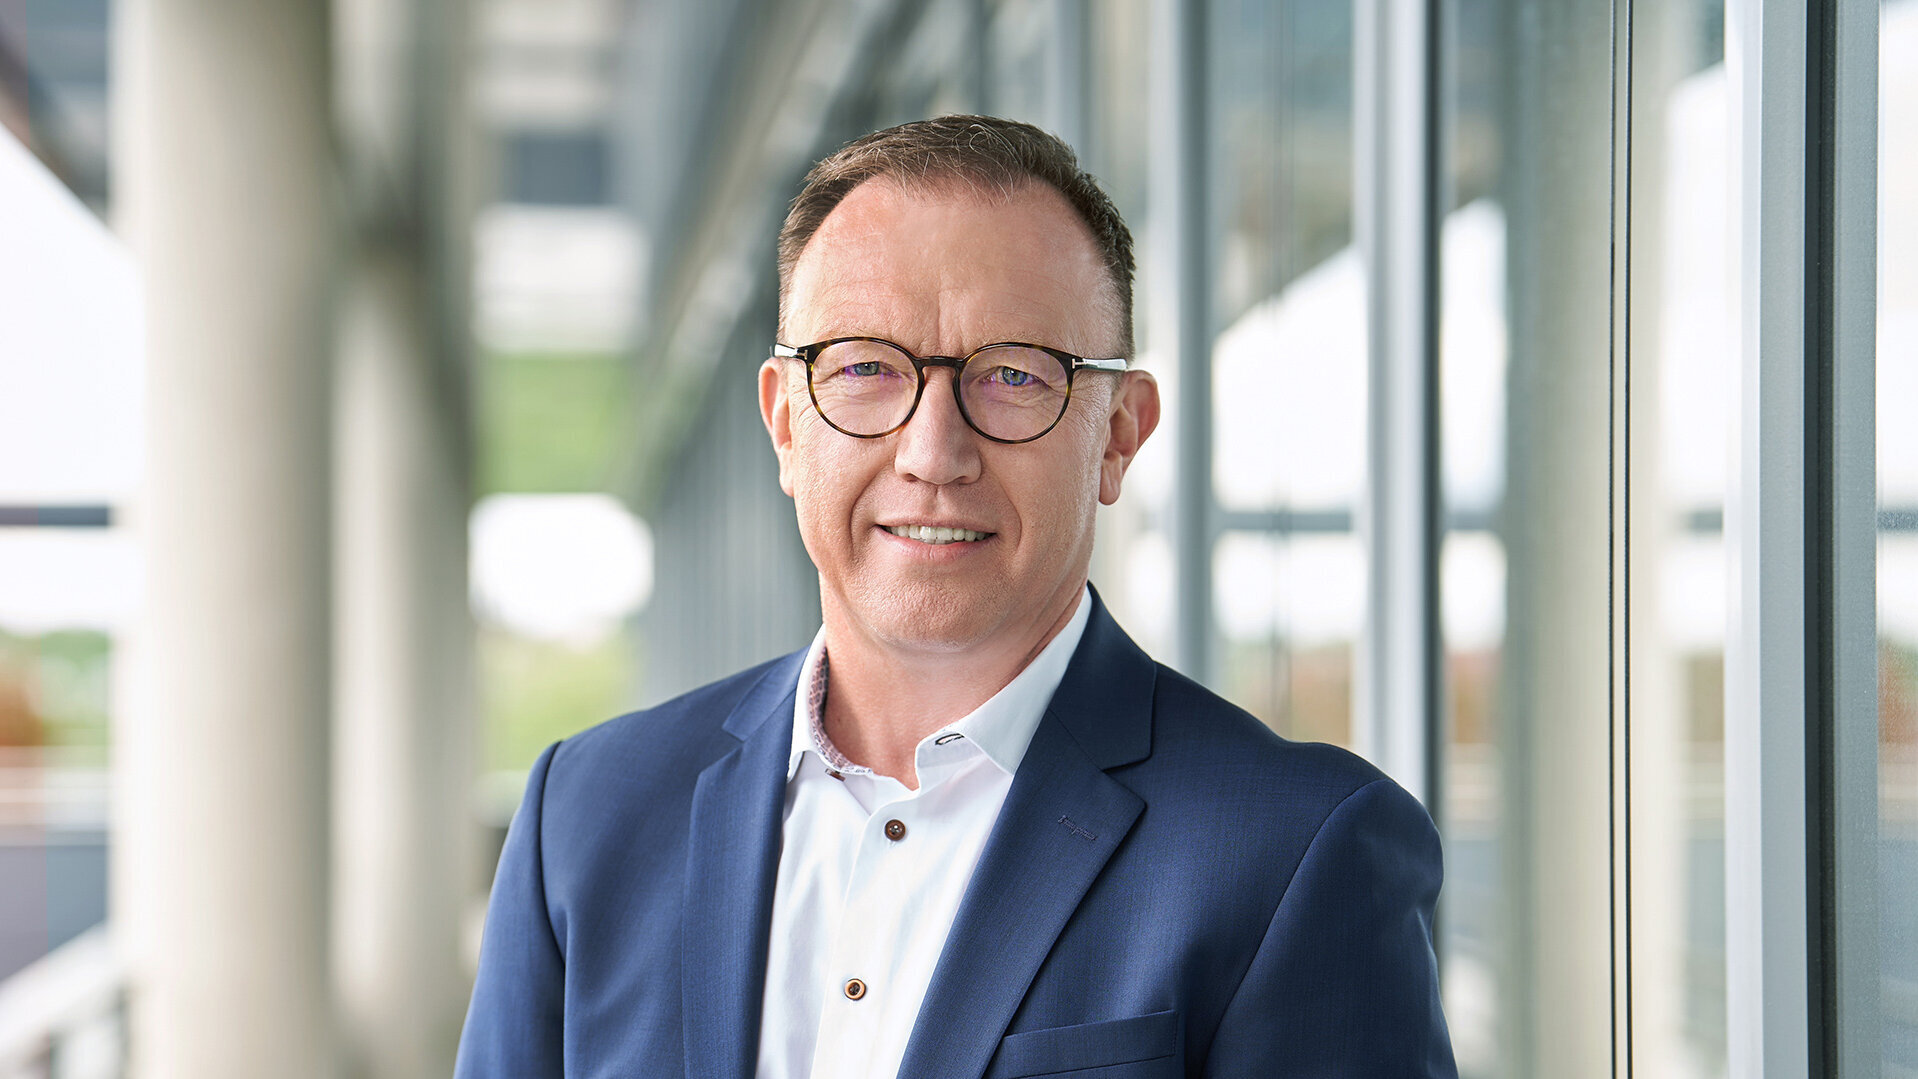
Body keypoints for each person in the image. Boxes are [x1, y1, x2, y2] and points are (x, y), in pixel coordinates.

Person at [455, 115, 1456, 1079]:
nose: (933, 452)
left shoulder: (1299, 855)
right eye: (863, 367)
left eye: (1013, 376)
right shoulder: (586, 816)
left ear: (1118, 433)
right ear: (785, 423)